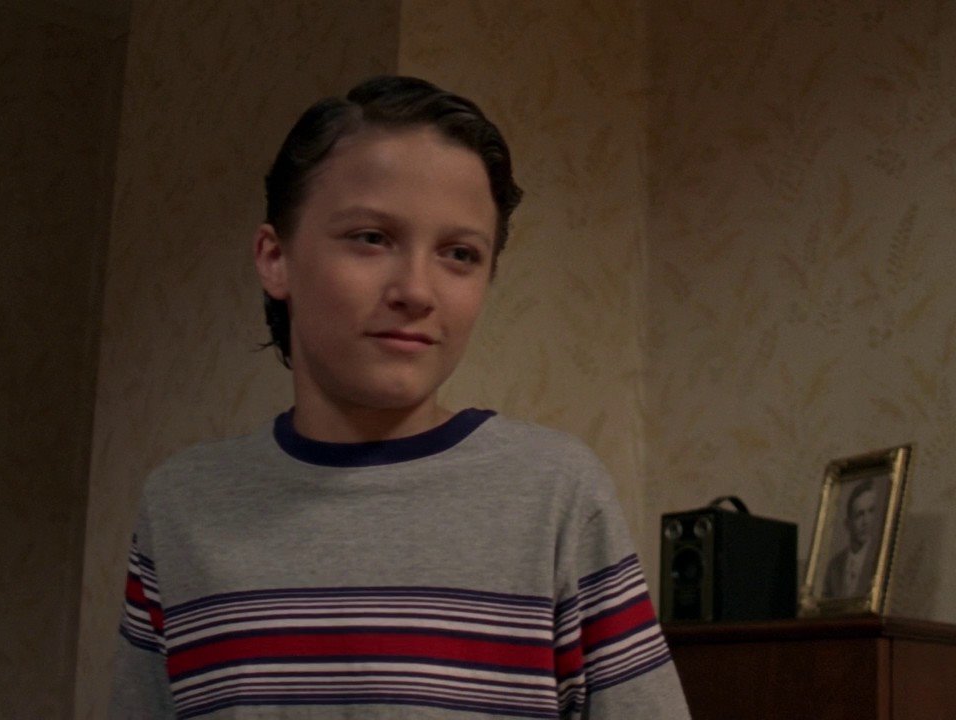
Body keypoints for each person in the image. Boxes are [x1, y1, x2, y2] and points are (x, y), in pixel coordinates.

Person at [111, 76, 690, 719]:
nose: (416, 290)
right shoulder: (183, 506)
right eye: (371, 238)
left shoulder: (557, 496)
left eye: (460, 253)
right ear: (275, 258)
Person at [822, 479, 880, 599]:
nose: (866, 521)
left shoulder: (880, 559)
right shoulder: (834, 567)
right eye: (859, 514)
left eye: (870, 511)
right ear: (847, 524)